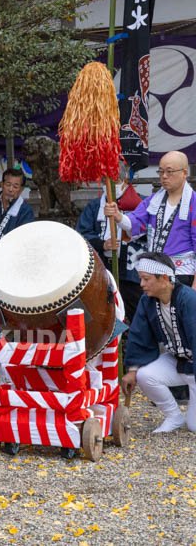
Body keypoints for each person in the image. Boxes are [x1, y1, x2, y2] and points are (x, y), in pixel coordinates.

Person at [122, 252, 196, 434]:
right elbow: (139, 336)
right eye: (141, 279)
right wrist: (132, 371)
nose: (141, 285)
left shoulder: (189, 300)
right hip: (178, 360)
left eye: (146, 279)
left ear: (163, 278)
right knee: (145, 375)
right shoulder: (147, 302)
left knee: (194, 426)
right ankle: (174, 416)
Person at [105, 151, 196, 288]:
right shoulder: (154, 200)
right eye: (161, 172)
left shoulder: (193, 202)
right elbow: (134, 223)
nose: (164, 176)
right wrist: (118, 216)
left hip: (183, 272)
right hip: (155, 272)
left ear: (184, 173)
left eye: (169, 171)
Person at [77, 168, 143, 321]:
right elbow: (82, 233)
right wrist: (102, 244)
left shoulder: (140, 203)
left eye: (115, 181)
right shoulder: (94, 207)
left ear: (125, 181)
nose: (110, 186)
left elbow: (147, 230)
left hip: (131, 270)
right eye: (106, 182)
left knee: (135, 313)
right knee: (104, 312)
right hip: (103, 268)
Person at [0, 168, 34, 244]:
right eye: (8, 184)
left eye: (15, 187)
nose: (10, 189)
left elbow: (24, 238)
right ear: (2, 185)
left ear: (21, 189)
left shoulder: (25, 211)